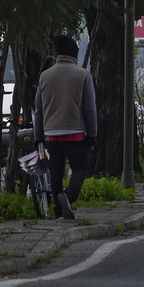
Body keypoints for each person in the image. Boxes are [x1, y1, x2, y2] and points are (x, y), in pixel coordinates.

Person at [35, 35, 96, 219]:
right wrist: (92, 134)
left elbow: (39, 110)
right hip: (76, 133)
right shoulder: (83, 75)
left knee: (55, 172)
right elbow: (89, 107)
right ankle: (68, 196)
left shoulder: (44, 76)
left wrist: (39, 137)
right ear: (75, 54)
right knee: (81, 169)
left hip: (51, 135)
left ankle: (58, 211)